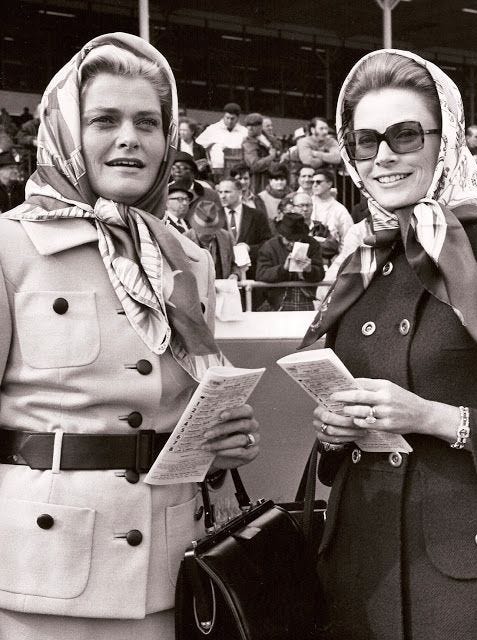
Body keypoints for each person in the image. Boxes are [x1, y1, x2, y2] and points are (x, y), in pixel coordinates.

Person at [0, 33, 259, 640]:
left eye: (148, 122)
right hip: (42, 578)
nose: (129, 138)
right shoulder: (10, 248)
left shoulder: (188, 258)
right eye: (105, 120)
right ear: (68, 131)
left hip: (170, 576)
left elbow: (184, 412)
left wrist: (219, 452)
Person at [301, 49, 477, 640]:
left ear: (444, 140)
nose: (384, 157)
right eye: (366, 142)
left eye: (404, 135)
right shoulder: (362, 261)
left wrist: (434, 418)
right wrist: (335, 429)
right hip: (360, 576)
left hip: (473, 581)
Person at [256, 198, 324, 311]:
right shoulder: (270, 246)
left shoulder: (312, 244)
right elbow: (261, 274)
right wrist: (283, 268)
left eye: (296, 239)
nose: (292, 243)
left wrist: (309, 270)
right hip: (276, 300)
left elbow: (320, 274)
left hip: (306, 297)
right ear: (282, 235)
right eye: (289, 239)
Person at [195, 102, 247, 181]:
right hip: (216, 170)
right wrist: (206, 161)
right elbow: (198, 146)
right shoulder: (213, 129)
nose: (229, 121)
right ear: (224, 116)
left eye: (232, 118)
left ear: (238, 118)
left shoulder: (244, 132)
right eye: (227, 118)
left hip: (236, 171)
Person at [311, 168, 354, 254]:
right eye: (313, 182)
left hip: (330, 257)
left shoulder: (340, 210)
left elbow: (348, 240)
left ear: (329, 184)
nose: (314, 185)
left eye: (318, 182)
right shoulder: (306, 204)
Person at [242, 112, 279, 194]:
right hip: (257, 182)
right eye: (248, 125)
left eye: (254, 125)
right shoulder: (248, 142)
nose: (250, 128)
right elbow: (255, 165)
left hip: (272, 179)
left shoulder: (268, 139)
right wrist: (271, 156)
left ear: (260, 126)